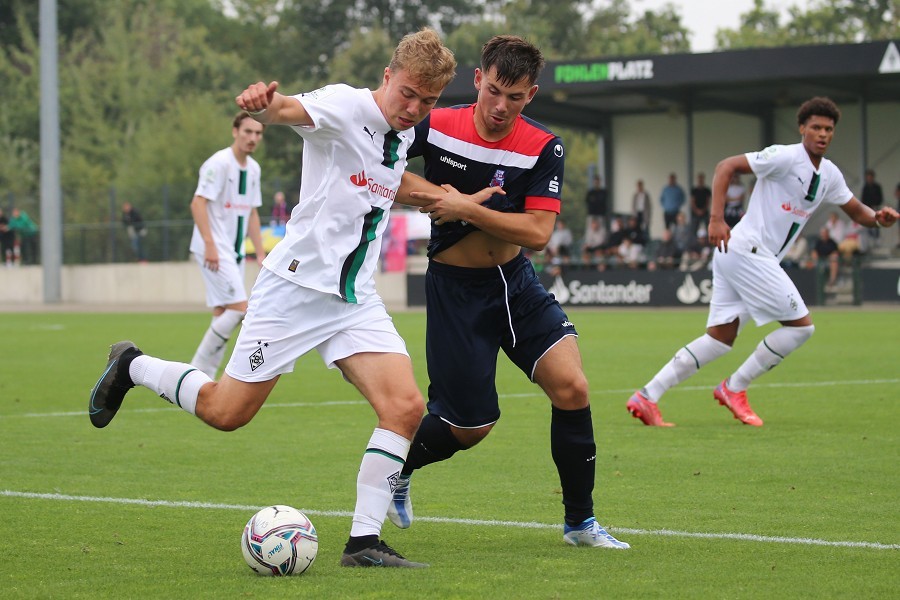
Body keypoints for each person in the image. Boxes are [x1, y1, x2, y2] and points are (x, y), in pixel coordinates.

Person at [88, 28, 458, 568]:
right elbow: (288, 110)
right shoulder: (342, 105)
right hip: (294, 290)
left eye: (429, 101)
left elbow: (391, 181)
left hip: (353, 298)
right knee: (226, 411)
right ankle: (133, 365)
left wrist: (453, 201)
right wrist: (264, 106)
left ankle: (363, 543)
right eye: (408, 94)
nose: (415, 109)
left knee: (404, 407)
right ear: (387, 77)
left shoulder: (402, 137)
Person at [389, 35, 629, 550]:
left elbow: (539, 233)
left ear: (531, 95)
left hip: (516, 284)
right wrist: (436, 196)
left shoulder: (544, 145)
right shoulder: (435, 124)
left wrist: (467, 208)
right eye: (494, 90)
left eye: (515, 97)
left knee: (573, 388)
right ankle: (398, 468)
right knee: (470, 427)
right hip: (456, 291)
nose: (501, 106)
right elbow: (383, 176)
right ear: (478, 79)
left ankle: (580, 524)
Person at [626, 97, 898, 428]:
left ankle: (647, 396)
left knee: (718, 339)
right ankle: (734, 388)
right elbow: (725, 166)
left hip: (739, 255)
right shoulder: (784, 156)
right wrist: (716, 219)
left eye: (828, 129)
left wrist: (879, 218)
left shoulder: (829, 174)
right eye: (815, 127)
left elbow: (858, 211)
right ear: (802, 128)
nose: (822, 134)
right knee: (802, 328)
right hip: (746, 251)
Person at [187, 112, 267, 379]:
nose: (252, 138)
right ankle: (196, 369)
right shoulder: (219, 163)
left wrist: (260, 253)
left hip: (235, 252)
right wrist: (209, 244)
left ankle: (204, 377)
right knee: (240, 309)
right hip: (214, 248)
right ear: (235, 131)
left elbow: (252, 213)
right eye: (247, 132)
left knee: (222, 311)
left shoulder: (253, 169)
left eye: (258, 133)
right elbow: (198, 203)